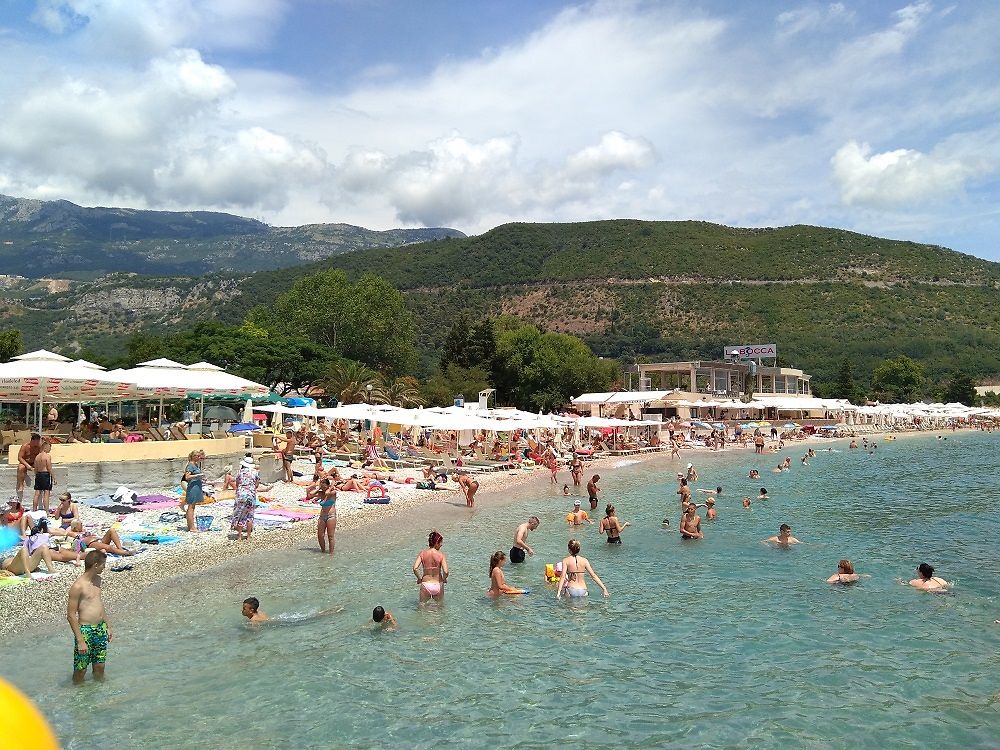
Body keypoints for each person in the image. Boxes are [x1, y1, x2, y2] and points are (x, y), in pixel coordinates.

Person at [67, 550, 111, 684]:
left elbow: (98, 603)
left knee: (100, 667)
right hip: (85, 631)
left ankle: (97, 697)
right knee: (81, 670)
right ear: (96, 565)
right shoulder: (78, 586)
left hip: (100, 628)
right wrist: (80, 640)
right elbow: (70, 615)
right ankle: (78, 697)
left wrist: (108, 625)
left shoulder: (98, 580)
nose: (104, 567)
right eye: (103, 565)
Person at [231, 456, 269, 542]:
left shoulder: (240, 472)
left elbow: (237, 484)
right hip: (251, 495)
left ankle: (239, 536)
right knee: (250, 515)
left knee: (240, 515)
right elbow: (256, 485)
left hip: (241, 494)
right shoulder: (255, 473)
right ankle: (248, 536)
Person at [413, 530, 448, 603]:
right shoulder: (441, 555)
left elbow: (415, 568)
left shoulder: (422, 554)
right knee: (439, 608)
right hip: (438, 584)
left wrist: (419, 579)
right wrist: (444, 579)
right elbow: (446, 571)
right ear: (436, 543)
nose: (441, 545)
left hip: (426, 584)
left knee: (422, 607)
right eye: (440, 542)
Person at [68, 521, 135, 557]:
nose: (82, 525)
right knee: (108, 547)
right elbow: (64, 533)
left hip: (99, 541)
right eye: (80, 524)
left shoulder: (83, 530)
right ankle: (126, 553)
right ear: (76, 527)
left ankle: (120, 549)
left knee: (111, 530)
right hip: (92, 544)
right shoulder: (73, 533)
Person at [16, 433, 42, 502]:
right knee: (21, 467)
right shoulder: (25, 446)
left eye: (38, 442)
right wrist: (27, 465)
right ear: (32, 441)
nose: (37, 444)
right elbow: (19, 457)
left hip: (34, 463)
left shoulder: (39, 447)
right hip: (25, 462)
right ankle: (21, 485)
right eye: (36, 442)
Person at [183, 450, 205, 532]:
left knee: (193, 506)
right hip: (193, 487)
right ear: (194, 456)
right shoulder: (190, 465)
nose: (199, 458)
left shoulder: (195, 465)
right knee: (191, 507)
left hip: (196, 486)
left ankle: (191, 526)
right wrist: (198, 475)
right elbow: (187, 477)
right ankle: (191, 527)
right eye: (198, 456)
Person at [31, 439, 54, 513]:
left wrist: (36, 476)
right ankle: (47, 511)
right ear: (46, 447)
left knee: (37, 493)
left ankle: (34, 510)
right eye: (50, 448)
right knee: (46, 493)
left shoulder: (37, 457)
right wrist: (53, 477)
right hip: (45, 475)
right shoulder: (47, 456)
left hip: (38, 475)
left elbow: (35, 468)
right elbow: (49, 467)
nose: (50, 449)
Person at [317, 479, 337, 554]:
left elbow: (328, 493)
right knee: (320, 535)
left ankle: (331, 554)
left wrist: (330, 488)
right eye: (321, 486)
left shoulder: (333, 492)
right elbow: (309, 495)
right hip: (322, 516)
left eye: (324, 486)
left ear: (328, 486)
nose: (322, 488)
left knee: (330, 536)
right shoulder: (321, 493)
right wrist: (318, 489)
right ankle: (323, 551)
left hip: (331, 516)